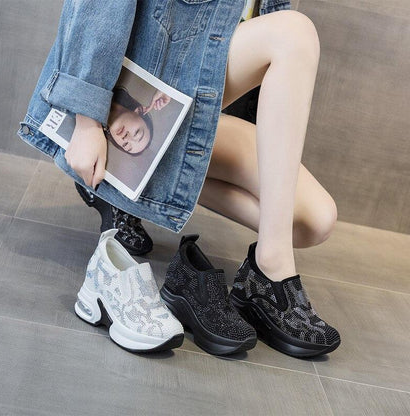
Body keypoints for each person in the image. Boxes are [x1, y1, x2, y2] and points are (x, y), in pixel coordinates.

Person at [18, 0, 341, 357]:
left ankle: (154, 183)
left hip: (202, 109)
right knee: (294, 34)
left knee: (314, 221)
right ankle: (271, 271)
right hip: (150, 85)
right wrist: (87, 120)